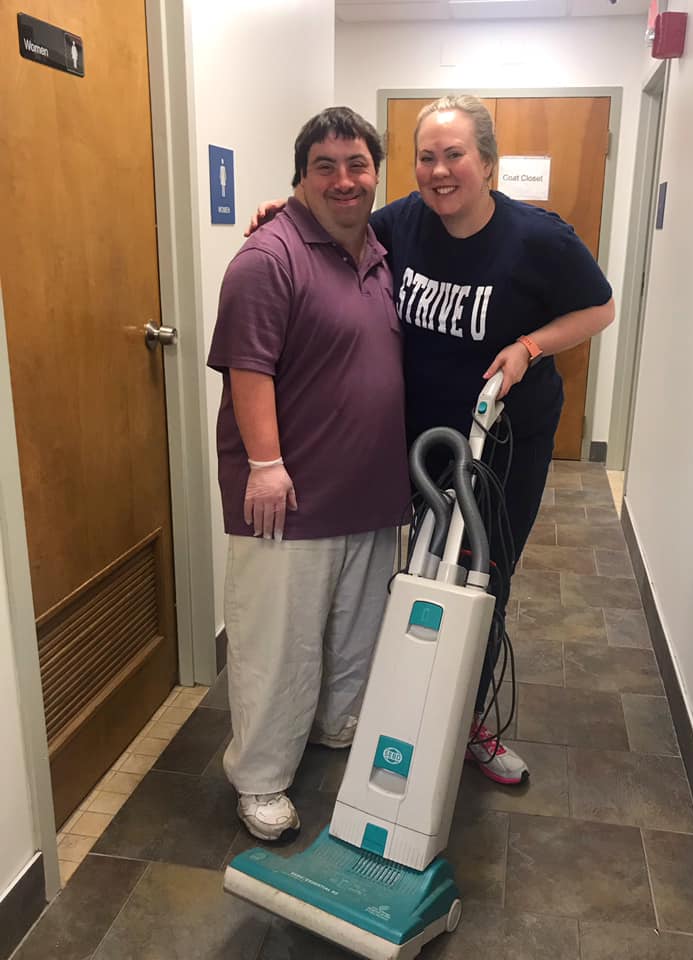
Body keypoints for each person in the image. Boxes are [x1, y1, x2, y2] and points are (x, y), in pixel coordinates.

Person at [248, 95, 614, 787]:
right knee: (416, 575)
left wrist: (530, 347)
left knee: (481, 579)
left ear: (488, 163)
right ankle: (401, 710)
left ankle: (466, 724)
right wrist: (284, 212)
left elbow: (600, 307)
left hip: (502, 441)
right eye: (426, 157)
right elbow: (335, 220)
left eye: (455, 155)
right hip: (418, 438)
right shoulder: (402, 222)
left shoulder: (538, 238)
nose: (439, 170)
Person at [207, 106, 410, 842]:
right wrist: (265, 466)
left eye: (357, 165)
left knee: (353, 633)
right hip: (289, 500)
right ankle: (260, 778)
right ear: (300, 176)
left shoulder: (381, 253)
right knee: (278, 647)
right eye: (325, 166)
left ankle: (333, 725)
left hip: (369, 494)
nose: (343, 180)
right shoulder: (269, 257)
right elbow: (247, 368)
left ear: (376, 174)